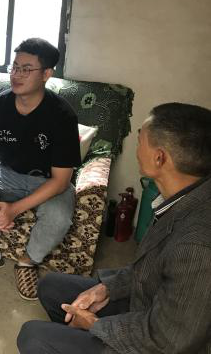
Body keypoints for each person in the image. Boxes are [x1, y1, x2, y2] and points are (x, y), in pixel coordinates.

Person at [17, 102, 211, 353]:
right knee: (51, 286)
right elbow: (150, 267)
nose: (137, 146)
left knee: (33, 337)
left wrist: (95, 325)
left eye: (140, 138)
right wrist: (105, 289)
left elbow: (169, 341)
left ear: (159, 157)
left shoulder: (197, 246)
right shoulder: (186, 196)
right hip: (148, 304)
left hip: (157, 341)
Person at [0, 38, 81, 300]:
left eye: (26, 69)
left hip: (48, 182)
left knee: (59, 216)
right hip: (7, 175)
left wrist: (14, 209)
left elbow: (61, 181)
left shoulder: (62, 115)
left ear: (46, 74)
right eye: (14, 67)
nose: (17, 75)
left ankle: (27, 262)